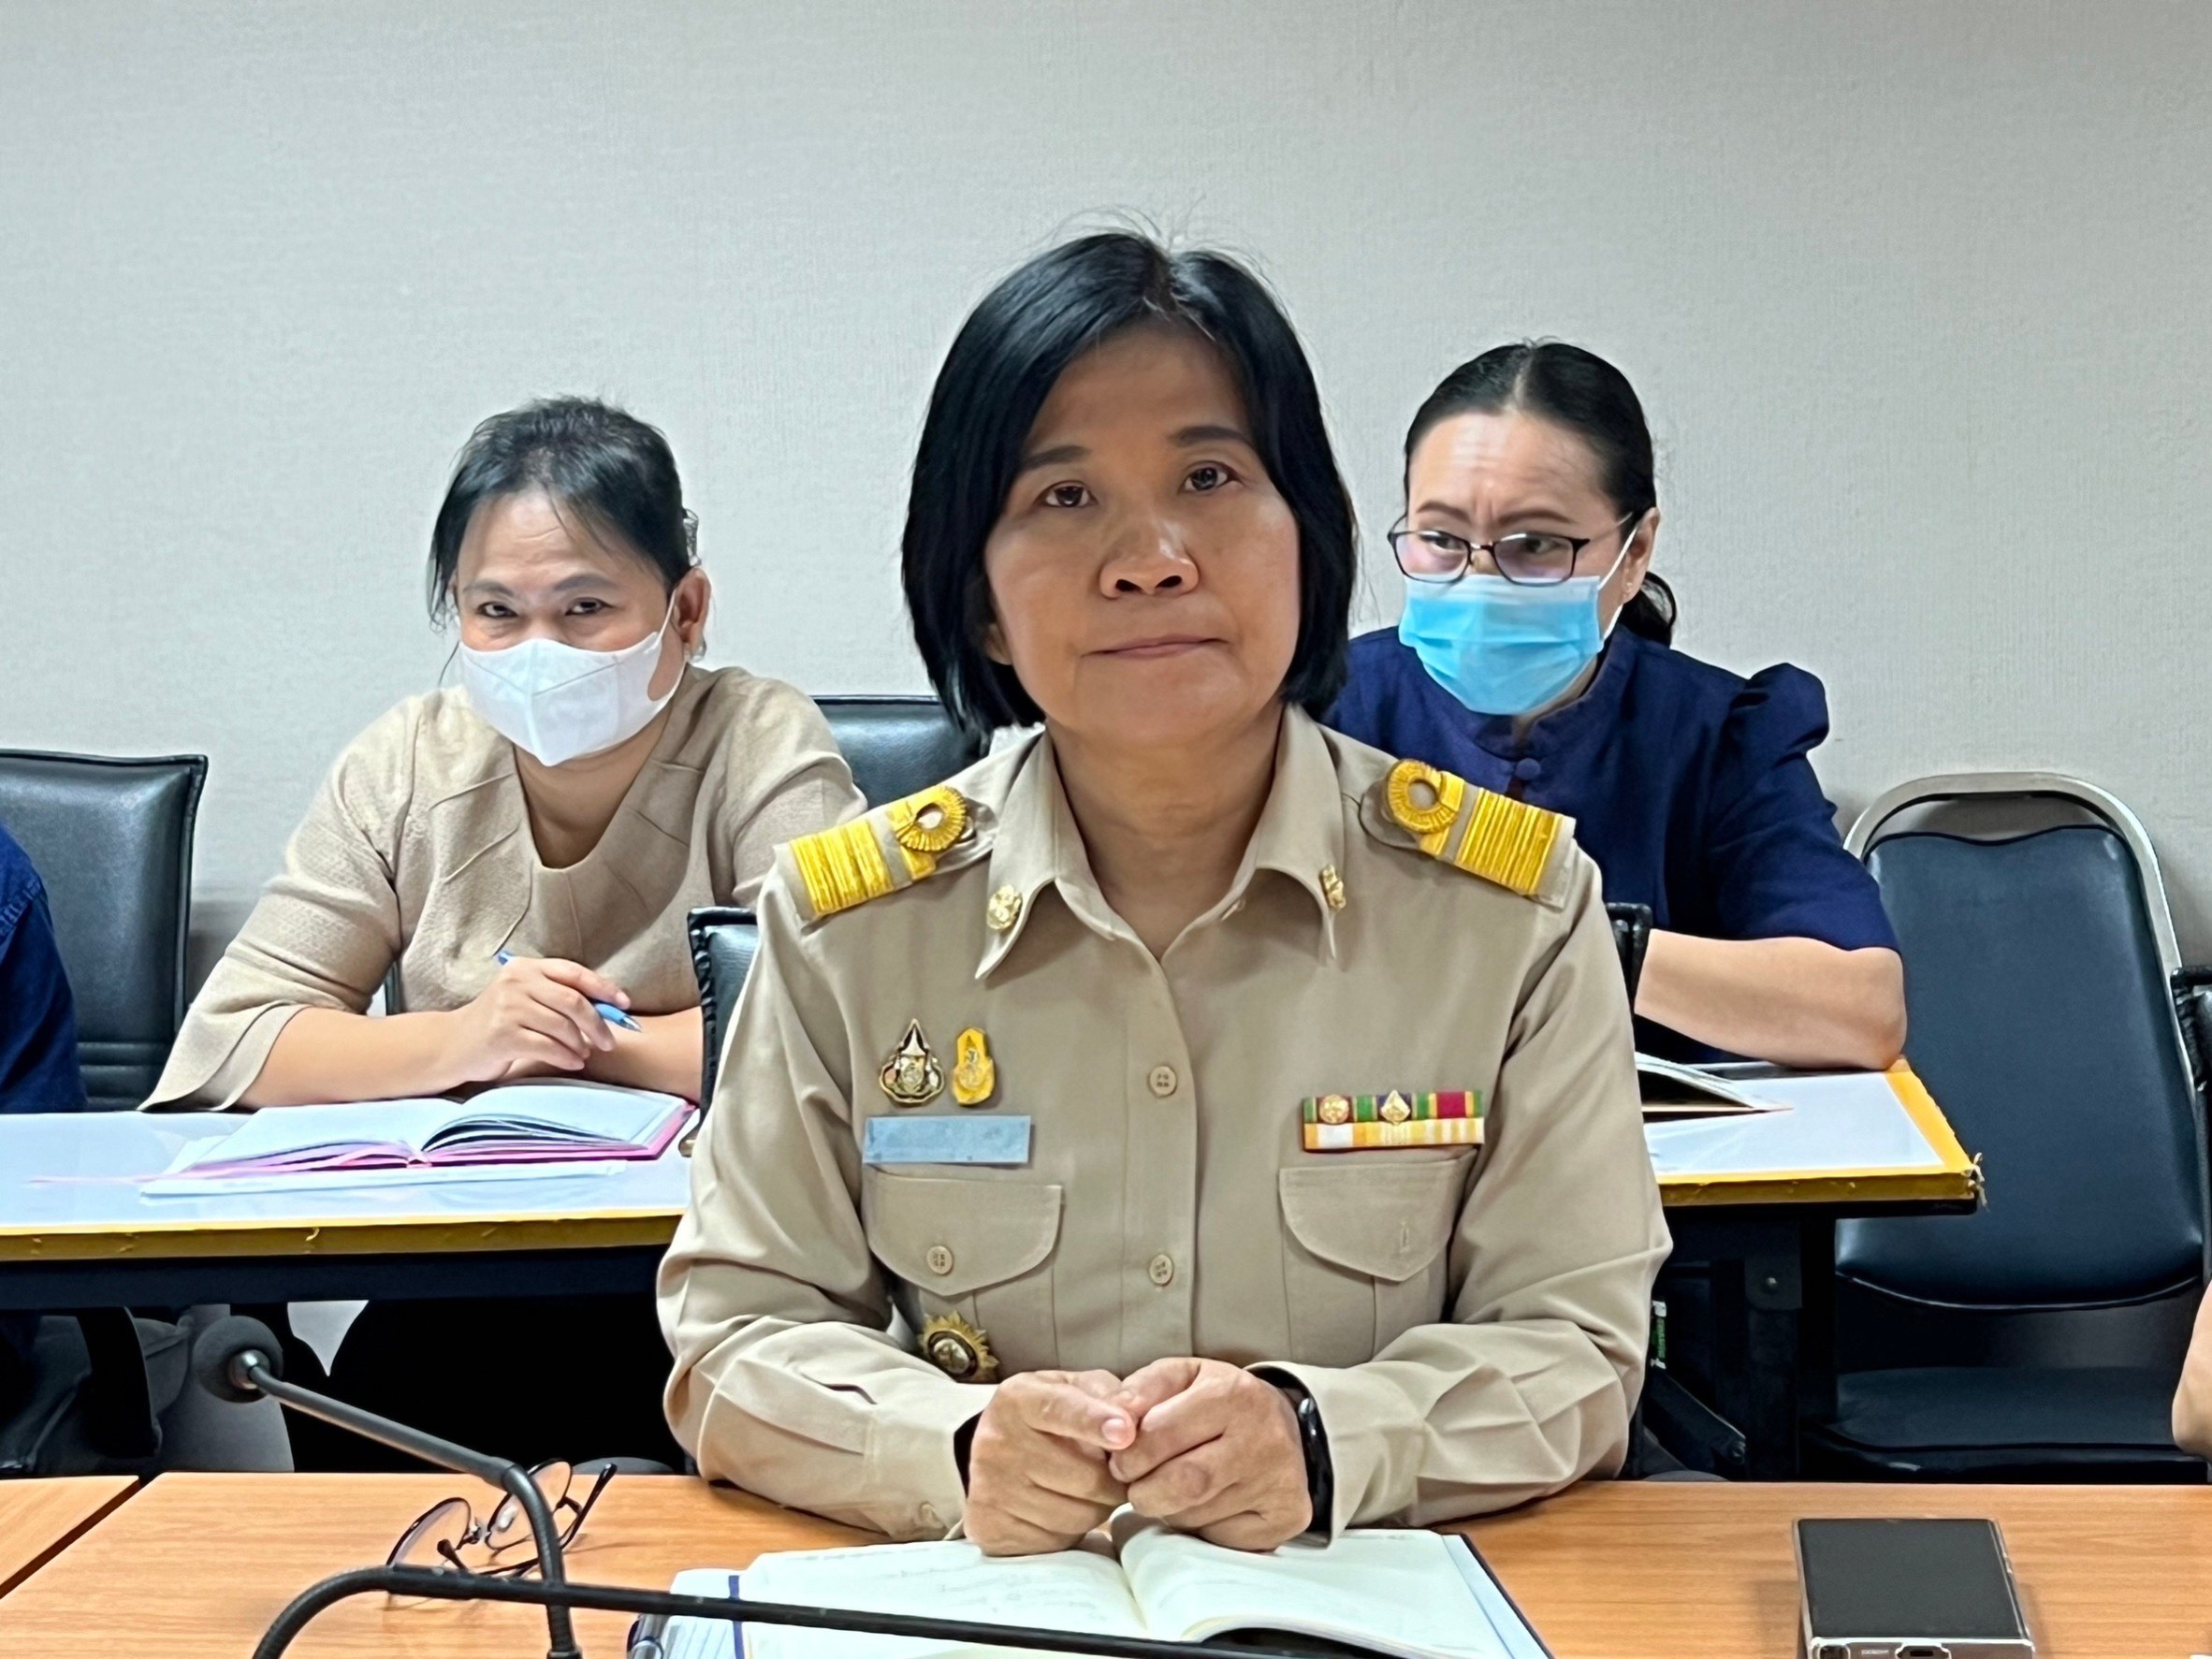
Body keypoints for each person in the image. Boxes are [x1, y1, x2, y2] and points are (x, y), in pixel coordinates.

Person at [660, 235, 1668, 1551]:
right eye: (1064, 498)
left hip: (1359, 1605)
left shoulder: (1509, 914)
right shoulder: (851, 925)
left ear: (1309, 537)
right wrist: (954, 1447)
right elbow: (740, 1335)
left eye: (1208, 477)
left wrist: (1326, 1440)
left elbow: (1578, 1347)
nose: (1150, 558)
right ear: (979, 603)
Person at [148, 397, 865, 1466]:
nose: (539, 652)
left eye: (584, 609)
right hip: (457, 1290)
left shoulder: (761, 740)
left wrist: (588, 1041)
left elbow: (844, 1027)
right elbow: (236, 1041)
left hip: (713, 1296)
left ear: (687, 609)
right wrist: (471, 1039)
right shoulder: (407, 762)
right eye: (495, 613)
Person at [1328, 343, 1905, 1070]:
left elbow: (1861, 1009)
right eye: (1440, 539)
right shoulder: (1325, 714)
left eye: (1534, 544)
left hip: (1662, 1175)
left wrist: (1579, 936)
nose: (1478, 580)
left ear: (1635, 553)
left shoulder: (1718, 735)